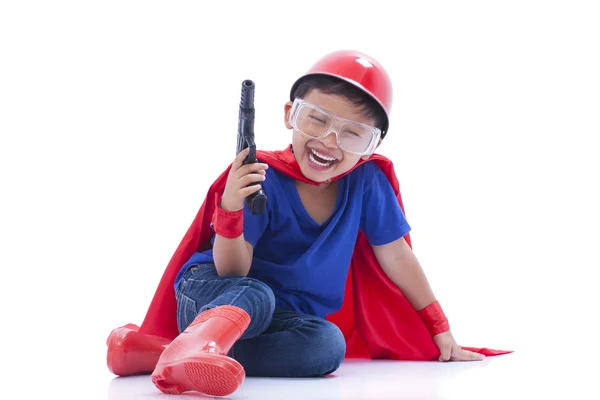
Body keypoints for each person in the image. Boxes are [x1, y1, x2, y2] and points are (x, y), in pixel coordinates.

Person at [106, 50, 509, 397]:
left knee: (325, 346)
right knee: (256, 295)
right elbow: (233, 270)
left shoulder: (367, 183)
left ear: (373, 147)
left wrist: (441, 331)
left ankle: (161, 354)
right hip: (213, 294)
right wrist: (230, 207)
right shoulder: (262, 177)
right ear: (290, 115)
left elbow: (398, 258)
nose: (329, 142)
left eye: (353, 134)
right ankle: (196, 344)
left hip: (278, 318)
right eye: (316, 120)